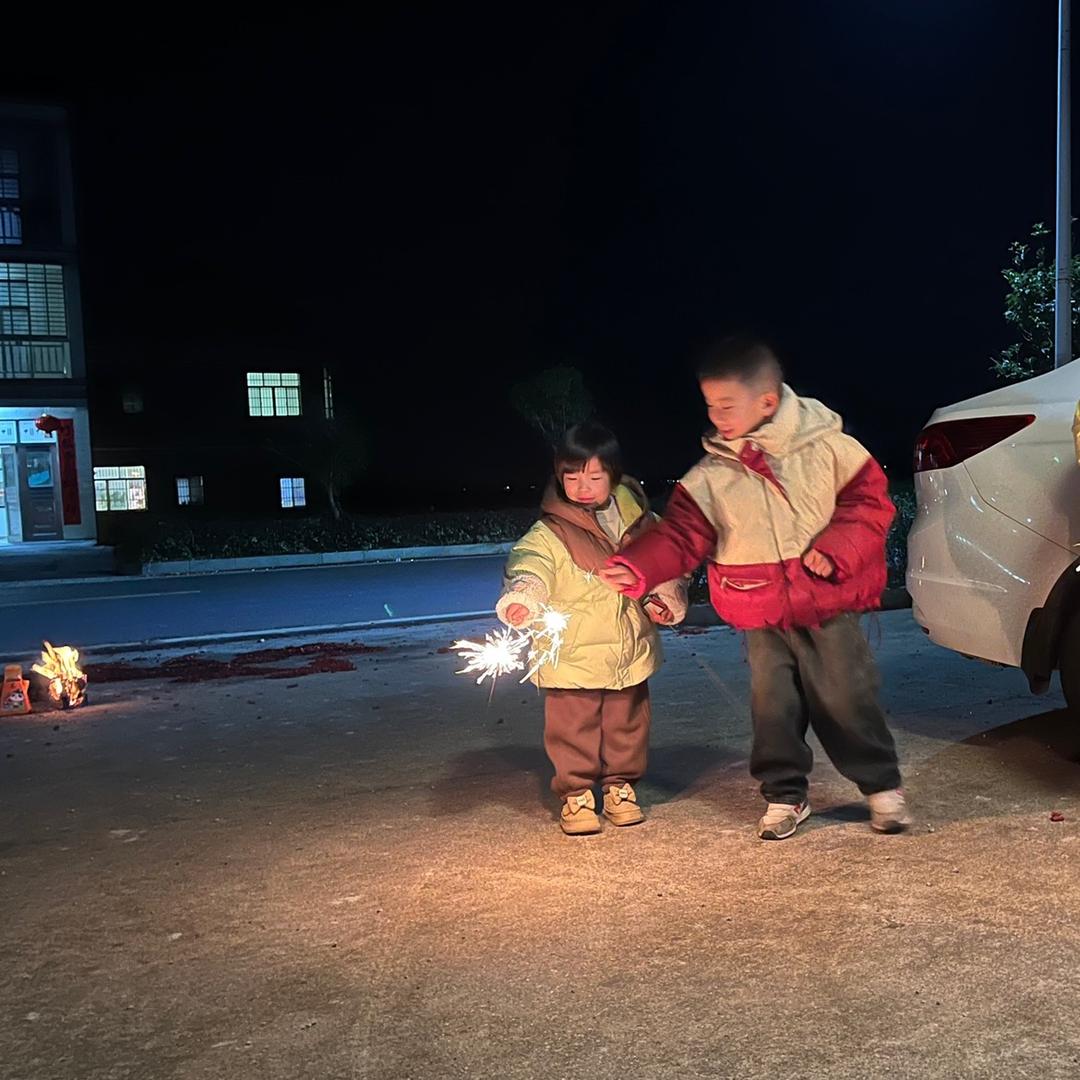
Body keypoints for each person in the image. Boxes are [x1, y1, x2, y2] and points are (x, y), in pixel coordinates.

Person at [599, 335, 911, 840]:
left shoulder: (830, 448)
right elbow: (682, 535)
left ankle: (880, 787)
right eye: (710, 406)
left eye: (727, 405)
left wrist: (834, 550)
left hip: (825, 601)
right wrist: (638, 566)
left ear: (767, 400)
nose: (717, 416)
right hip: (759, 607)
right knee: (772, 707)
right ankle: (785, 796)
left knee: (847, 697)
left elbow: (869, 505)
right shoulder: (709, 476)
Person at [496, 421, 687, 835]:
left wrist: (663, 599)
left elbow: (668, 563)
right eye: (572, 476)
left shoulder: (642, 521)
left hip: (628, 648)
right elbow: (530, 562)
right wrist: (524, 597)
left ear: (614, 476)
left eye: (595, 477)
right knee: (572, 728)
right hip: (573, 654)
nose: (583, 487)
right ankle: (577, 793)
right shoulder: (552, 531)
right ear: (558, 475)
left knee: (628, 723)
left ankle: (621, 786)